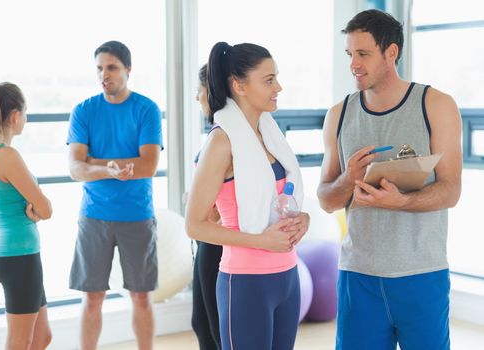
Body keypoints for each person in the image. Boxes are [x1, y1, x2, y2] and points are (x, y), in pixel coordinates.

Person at [317, 9, 461, 350]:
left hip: (421, 274)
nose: (354, 64)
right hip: (358, 275)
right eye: (350, 54)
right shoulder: (338, 115)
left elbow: (451, 189)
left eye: (363, 54)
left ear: (391, 52)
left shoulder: (436, 105)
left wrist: (403, 201)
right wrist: (348, 180)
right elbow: (326, 199)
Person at [185, 42, 310, 350]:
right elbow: (195, 225)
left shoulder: (269, 136)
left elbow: (284, 198)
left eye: (276, 77)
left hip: (287, 277)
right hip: (246, 281)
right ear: (239, 85)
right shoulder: (221, 143)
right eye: (268, 80)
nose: (278, 86)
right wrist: (262, 241)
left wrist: (303, 219)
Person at [67, 40, 162, 350]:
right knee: (92, 298)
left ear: (128, 70)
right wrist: (107, 170)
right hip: (94, 216)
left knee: (141, 296)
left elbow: (148, 165)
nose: (104, 75)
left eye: (111, 67)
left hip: (137, 214)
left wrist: (96, 161)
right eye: (99, 68)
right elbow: (75, 169)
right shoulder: (84, 111)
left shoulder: (146, 109)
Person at [0, 82, 53, 350]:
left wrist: (36, 208)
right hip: (18, 255)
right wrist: (37, 210)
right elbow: (45, 209)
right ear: (14, 116)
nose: (26, 118)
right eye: (25, 112)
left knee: (42, 337)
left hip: (15, 254)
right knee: (20, 342)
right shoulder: (7, 156)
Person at [190, 64, 223, 350]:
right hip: (206, 241)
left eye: (199, 92)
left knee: (216, 328)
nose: (196, 99)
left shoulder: (224, 136)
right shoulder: (215, 134)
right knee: (201, 323)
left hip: (217, 241)